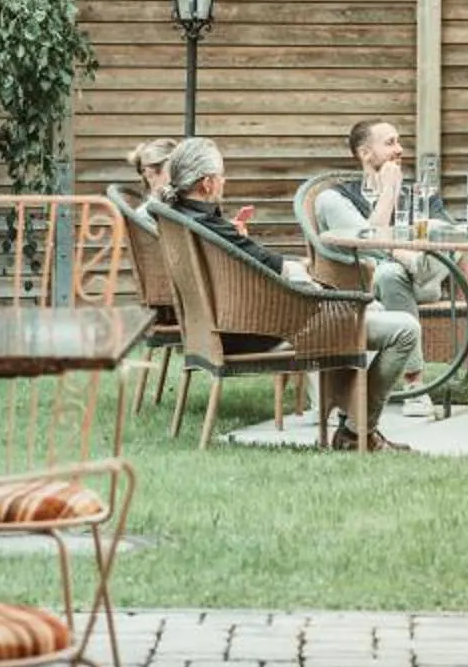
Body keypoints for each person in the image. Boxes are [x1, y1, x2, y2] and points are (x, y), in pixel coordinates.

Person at [160, 136, 422, 449]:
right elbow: (280, 269)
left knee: (369, 311)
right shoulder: (213, 228)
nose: (224, 182)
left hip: (221, 328)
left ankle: (352, 422)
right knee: (405, 329)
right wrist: (309, 280)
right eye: (222, 176)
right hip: (265, 329)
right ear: (206, 184)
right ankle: (356, 431)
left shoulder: (180, 218)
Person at [312, 118, 426, 318]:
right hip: (368, 279)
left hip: (423, 279)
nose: (400, 149)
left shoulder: (419, 194)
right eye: (390, 143)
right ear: (365, 153)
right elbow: (366, 242)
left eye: (399, 142)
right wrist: (389, 191)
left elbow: (445, 233)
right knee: (389, 273)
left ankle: (422, 270)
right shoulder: (338, 197)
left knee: (435, 228)